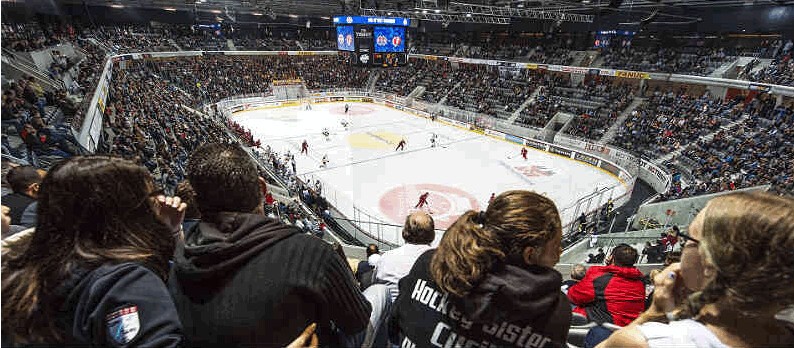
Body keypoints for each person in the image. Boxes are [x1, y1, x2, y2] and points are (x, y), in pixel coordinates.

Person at [168, 143, 375, 347]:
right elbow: (358, 321)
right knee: (380, 294)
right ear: (261, 187)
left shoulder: (178, 262)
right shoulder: (310, 254)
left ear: (196, 201)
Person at [1, 156, 185, 346]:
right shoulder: (125, 283)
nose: (158, 202)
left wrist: (166, 232)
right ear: (126, 209)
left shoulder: (17, 275)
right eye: (150, 196)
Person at [598, 192, 794, 347]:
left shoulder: (644, 342)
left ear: (708, 262)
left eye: (688, 239)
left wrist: (653, 313)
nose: (682, 246)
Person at [391, 191, 570, 348]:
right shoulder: (553, 310)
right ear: (530, 254)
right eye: (556, 245)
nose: (560, 251)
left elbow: (394, 326)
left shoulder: (431, 262)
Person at [567, 244, 646, 327]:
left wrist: (607, 267)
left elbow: (573, 296)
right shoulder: (640, 280)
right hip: (631, 327)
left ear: (611, 258)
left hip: (607, 327)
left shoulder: (600, 278)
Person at [374, 211, 435, 301]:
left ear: (404, 232)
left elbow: (375, 284)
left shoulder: (385, 258)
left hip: (390, 311)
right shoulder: (439, 263)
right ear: (432, 235)